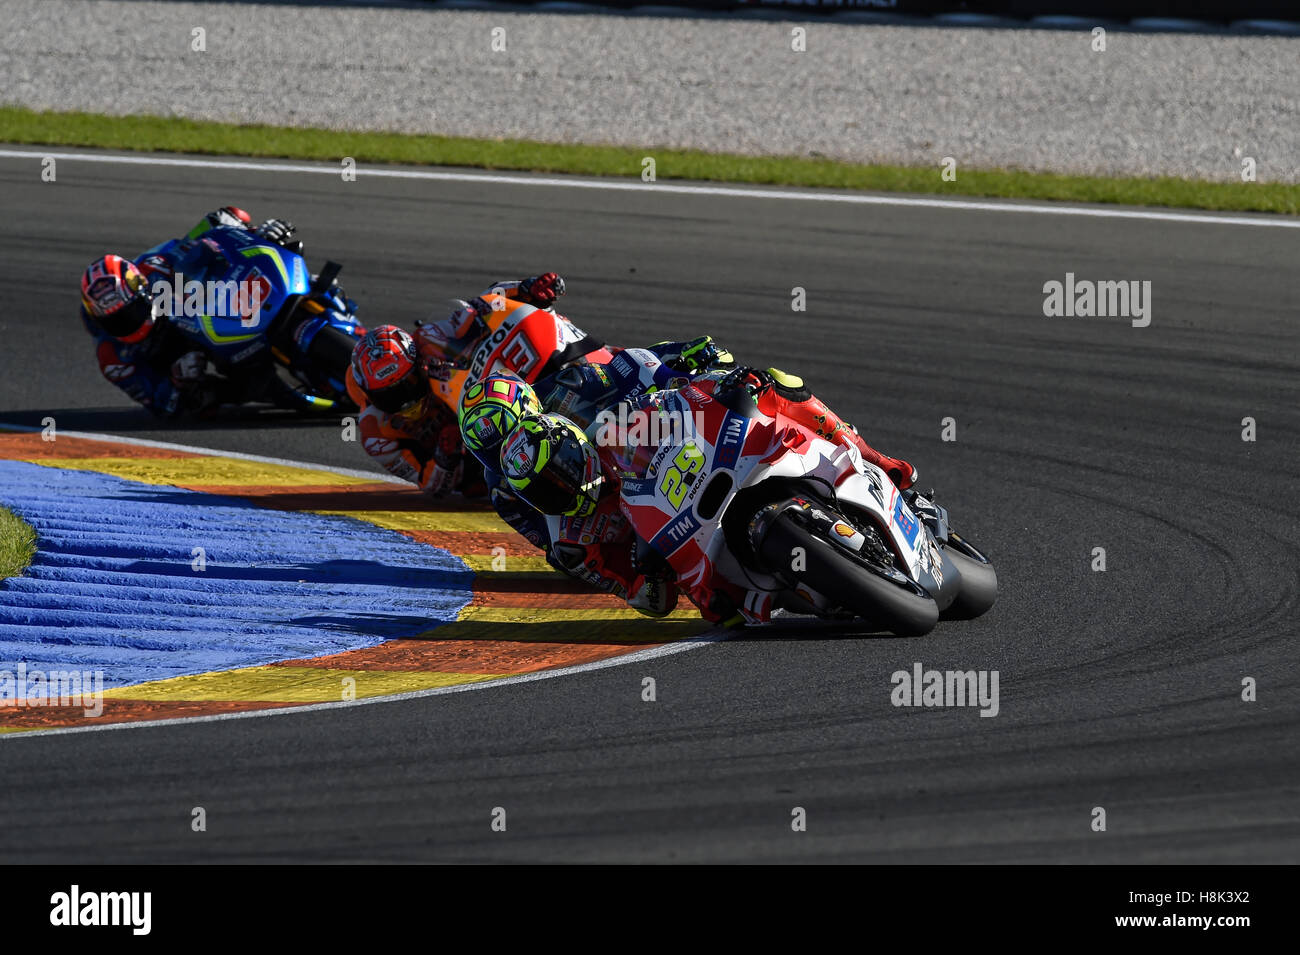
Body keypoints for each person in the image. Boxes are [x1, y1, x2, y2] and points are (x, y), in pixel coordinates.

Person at [491, 364, 917, 623]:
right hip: (680, 546)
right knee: (723, 611)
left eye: (561, 471)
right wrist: (648, 578)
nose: (563, 488)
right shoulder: (571, 544)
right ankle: (814, 589)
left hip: (697, 468)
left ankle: (874, 458)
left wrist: (697, 371)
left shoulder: (603, 423)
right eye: (548, 492)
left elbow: (652, 377)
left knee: (774, 383)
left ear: (571, 441)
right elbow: (645, 599)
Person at [78, 207, 306, 417]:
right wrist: (178, 382)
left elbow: (207, 233)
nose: (127, 323)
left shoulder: (154, 266)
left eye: (130, 312)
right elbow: (159, 405)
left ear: (141, 290)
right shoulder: (114, 359)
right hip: (198, 359)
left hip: (212, 311)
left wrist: (256, 234)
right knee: (212, 401)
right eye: (115, 321)